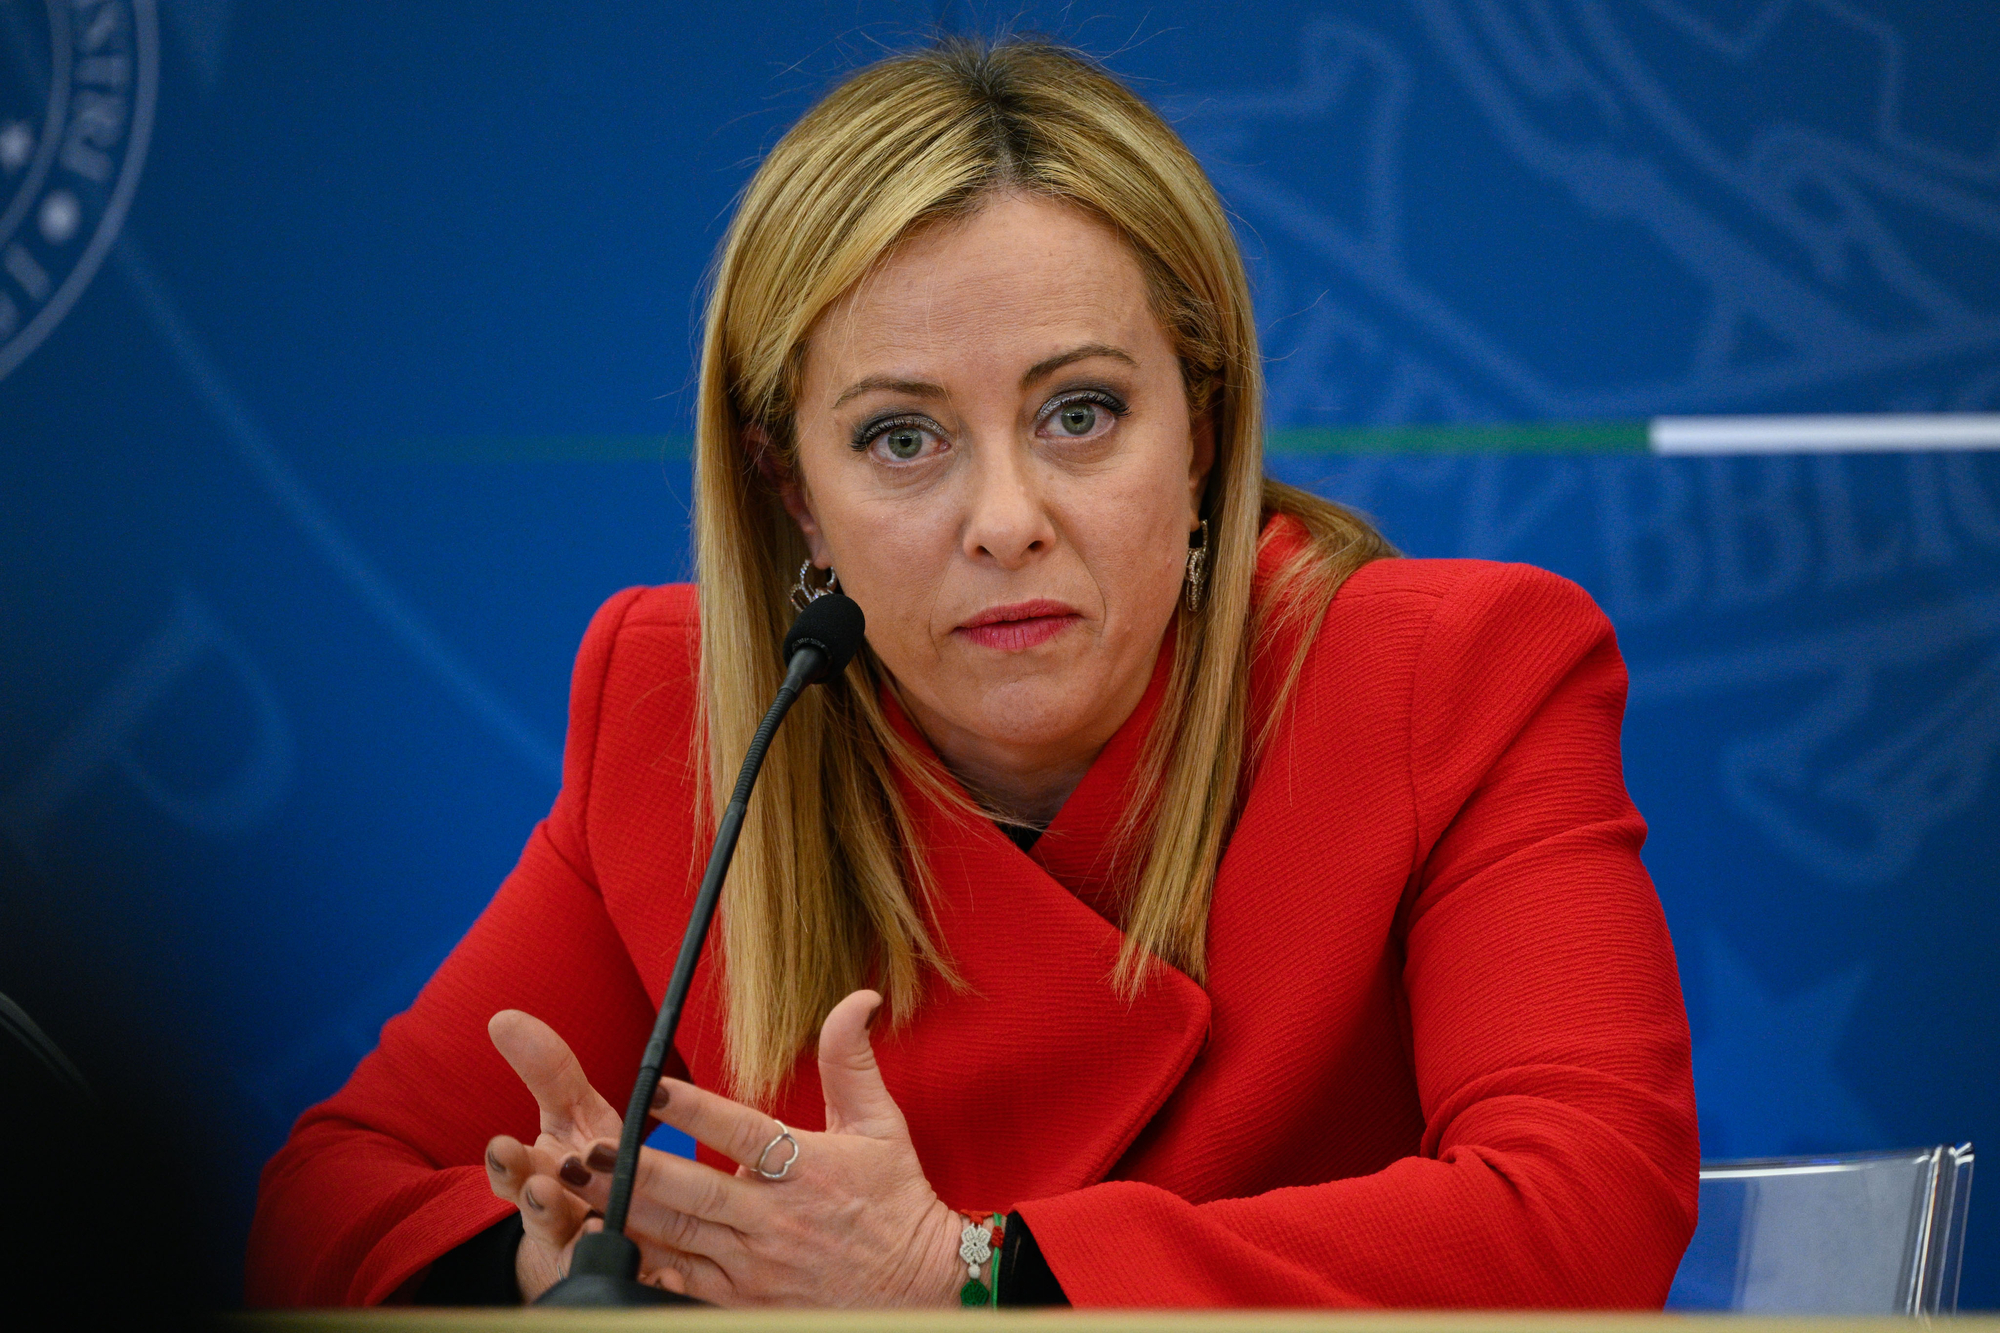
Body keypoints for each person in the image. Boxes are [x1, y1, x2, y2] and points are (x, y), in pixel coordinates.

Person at [246, 38, 1698, 1308]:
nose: (1006, 520)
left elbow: (1585, 1212)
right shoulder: (681, 717)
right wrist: (569, 1266)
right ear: (793, 494)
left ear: (1201, 435)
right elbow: (332, 1197)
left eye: (1081, 412)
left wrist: (970, 1278)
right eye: (902, 438)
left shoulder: (1450, 681)